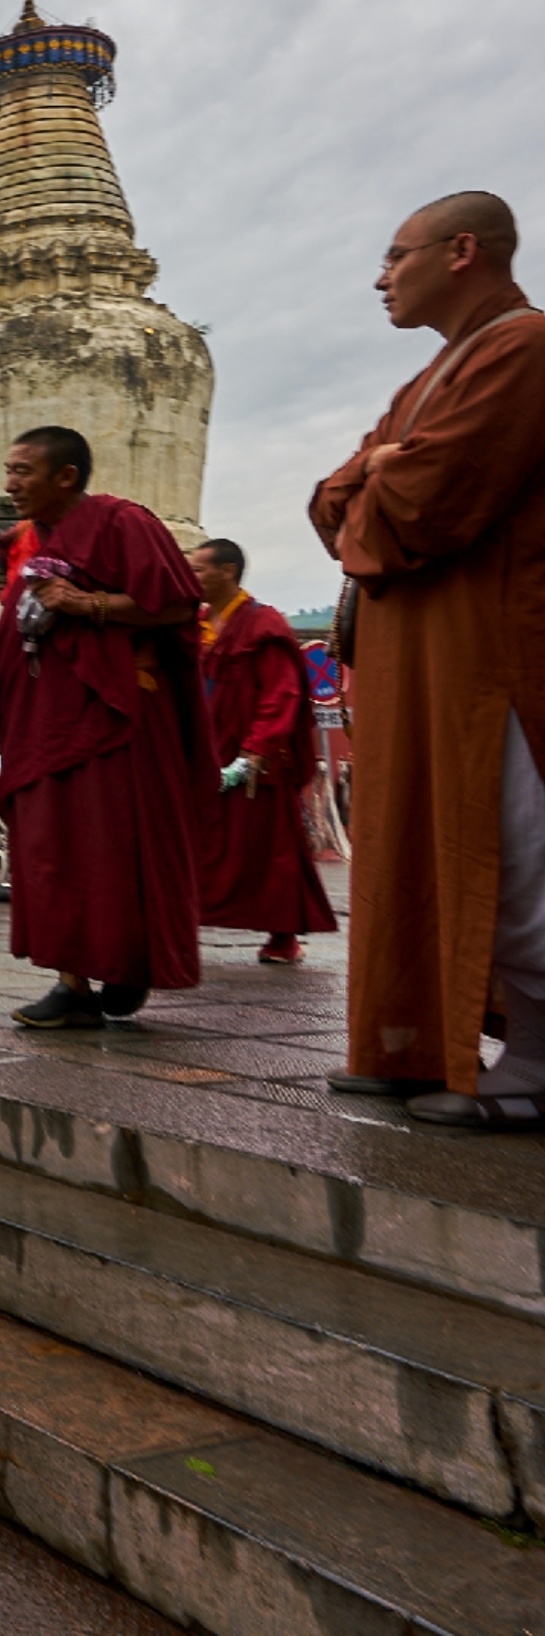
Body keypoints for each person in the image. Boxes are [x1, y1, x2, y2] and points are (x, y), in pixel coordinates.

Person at [311, 191, 545, 1125]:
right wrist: (376, 468)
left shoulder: (523, 347)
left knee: (508, 856)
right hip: (419, 658)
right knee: (423, 849)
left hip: (488, 656)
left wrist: (377, 474)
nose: (381, 277)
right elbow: (335, 500)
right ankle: (436, 1041)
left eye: (395, 256)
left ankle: (535, 1059)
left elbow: (425, 501)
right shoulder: (429, 379)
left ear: (461, 251)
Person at [0, 427, 214, 1027]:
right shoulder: (25, 543)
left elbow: (175, 604)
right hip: (46, 717)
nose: (10, 484)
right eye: (9, 470)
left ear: (66, 476)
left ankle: (125, 963)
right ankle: (72, 981)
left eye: (23, 471)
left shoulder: (122, 522)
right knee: (53, 849)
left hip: (117, 715)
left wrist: (87, 604)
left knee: (111, 846)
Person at [190, 538, 338, 964]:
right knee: (195, 845)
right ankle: (184, 921)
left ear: (228, 572)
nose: (193, 577)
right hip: (205, 754)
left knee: (272, 852)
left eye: (200, 570)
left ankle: (283, 938)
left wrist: (255, 750)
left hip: (255, 764)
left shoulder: (263, 625)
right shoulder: (197, 623)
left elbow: (283, 694)